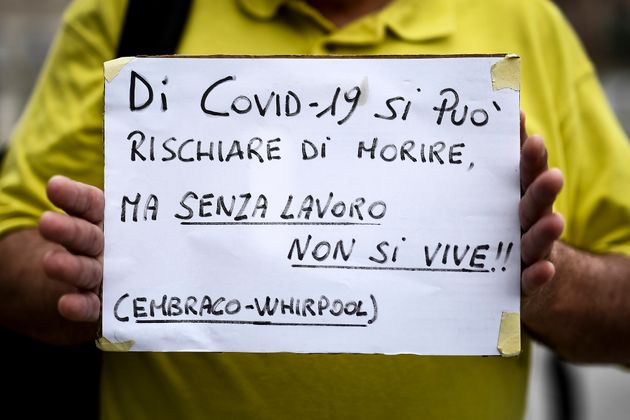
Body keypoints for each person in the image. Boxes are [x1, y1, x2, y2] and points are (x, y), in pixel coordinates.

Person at [1, 0, 629, 418]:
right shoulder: (133, 11)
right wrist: (80, 277)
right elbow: (10, 254)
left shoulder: (527, 20)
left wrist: (547, 286)